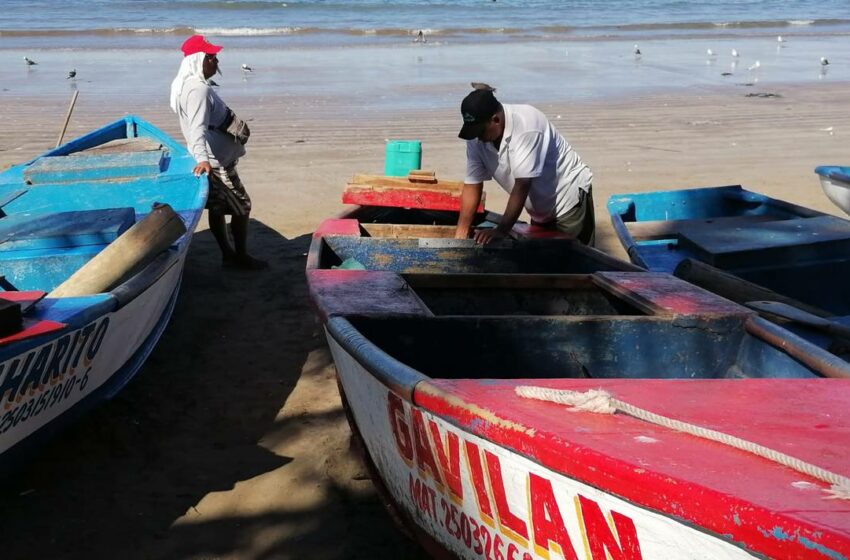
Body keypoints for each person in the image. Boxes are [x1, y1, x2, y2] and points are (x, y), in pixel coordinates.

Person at [169, 34, 267, 270]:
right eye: (212, 57)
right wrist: (203, 160)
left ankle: (227, 255)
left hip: (215, 159)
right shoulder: (197, 91)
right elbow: (197, 129)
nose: (216, 62)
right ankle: (240, 256)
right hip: (216, 162)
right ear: (198, 59)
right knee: (243, 206)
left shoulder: (187, 85)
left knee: (217, 207)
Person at [454, 87, 595, 245]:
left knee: (572, 265)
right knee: (542, 264)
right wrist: (461, 232)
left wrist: (501, 230)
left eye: (480, 131)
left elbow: (522, 184)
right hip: (539, 210)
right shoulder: (475, 138)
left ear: (496, 119)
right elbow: (473, 184)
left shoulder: (526, 126)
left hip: (567, 201)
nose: (477, 138)